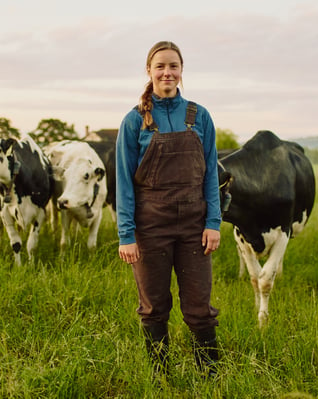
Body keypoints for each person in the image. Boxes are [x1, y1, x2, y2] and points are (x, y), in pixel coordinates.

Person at [116, 41, 222, 377]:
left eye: (173, 66)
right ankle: (160, 377)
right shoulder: (134, 121)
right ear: (149, 71)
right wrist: (126, 234)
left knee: (199, 308)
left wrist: (214, 223)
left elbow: (210, 175)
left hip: (194, 227)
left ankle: (210, 376)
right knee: (154, 308)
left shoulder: (199, 115)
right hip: (150, 228)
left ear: (181, 71)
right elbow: (123, 183)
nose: (167, 72)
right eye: (160, 66)